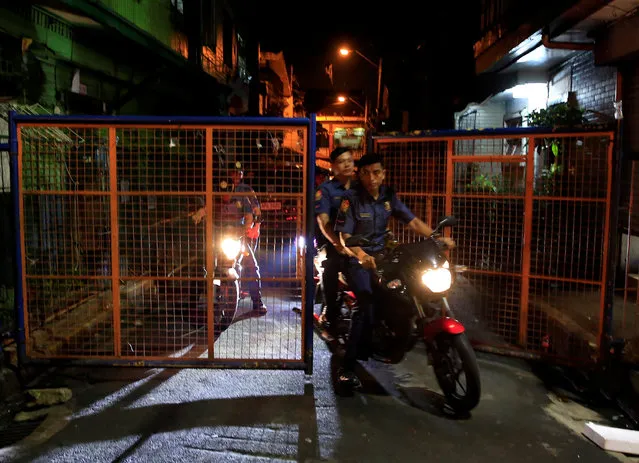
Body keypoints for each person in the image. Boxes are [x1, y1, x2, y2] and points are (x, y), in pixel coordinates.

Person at [334, 152, 455, 387]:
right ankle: (346, 369)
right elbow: (344, 235)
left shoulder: (388, 196)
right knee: (366, 305)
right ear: (359, 174)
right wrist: (360, 255)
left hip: (384, 255)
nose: (372, 178)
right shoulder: (351, 199)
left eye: (376, 172)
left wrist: (435, 237)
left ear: (383, 173)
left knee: (413, 285)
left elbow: (412, 221)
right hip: (357, 259)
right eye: (366, 173)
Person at [192, 162, 267, 315]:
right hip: (218, 238)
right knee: (201, 262)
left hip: (237, 237)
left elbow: (251, 216)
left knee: (251, 265)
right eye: (233, 173)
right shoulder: (215, 197)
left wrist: (250, 228)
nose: (225, 196)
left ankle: (257, 301)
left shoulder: (244, 194)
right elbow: (204, 211)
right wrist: (196, 217)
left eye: (239, 173)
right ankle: (196, 301)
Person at [314, 147, 356, 337]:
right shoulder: (326, 190)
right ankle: (330, 313)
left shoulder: (359, 187)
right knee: (331, 266)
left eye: (349, 160)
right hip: (330, 243)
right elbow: (324, 222)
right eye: (341, 161)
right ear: (333, 166)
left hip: (356, 243)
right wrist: (338, 245)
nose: (347, 164)